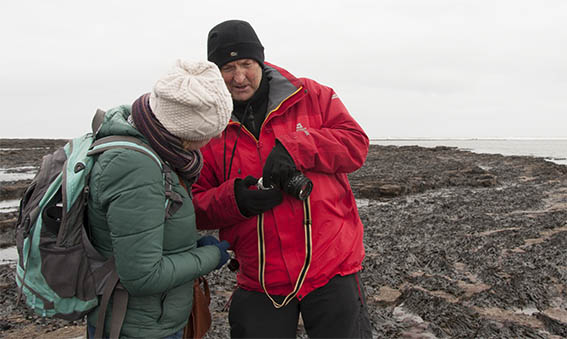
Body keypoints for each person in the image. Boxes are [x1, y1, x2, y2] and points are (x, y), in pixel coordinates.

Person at [192, 20, 373, 338]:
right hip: (260, 278)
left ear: (259, 60)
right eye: (228, 67)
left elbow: (356, 146)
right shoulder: (209, 126)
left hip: (331, 266)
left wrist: (298, 147)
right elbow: (193, 205)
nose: (239, 77)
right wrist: (235, 200)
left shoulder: (312, 96)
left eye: (246, 64)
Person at [86, 60, 233, 338]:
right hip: (133, 326)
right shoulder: (136, 167)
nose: (212, 140)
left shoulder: (153, 144)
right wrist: (209, 256)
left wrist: (187, 249)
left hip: (152, 318)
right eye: (209, 134)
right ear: (186, 134)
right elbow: (142, 276)